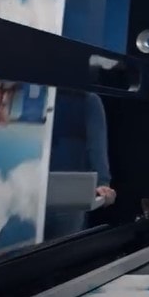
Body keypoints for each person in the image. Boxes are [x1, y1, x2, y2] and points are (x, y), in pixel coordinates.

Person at [45, 89, 116, 240]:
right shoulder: (87, 100)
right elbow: (96, 147)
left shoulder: (85, 100)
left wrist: (103, 182)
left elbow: (96, 147)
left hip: (35, 191)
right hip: (68, 196)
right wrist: (103, 182)